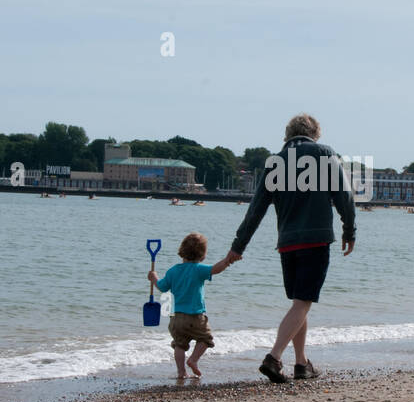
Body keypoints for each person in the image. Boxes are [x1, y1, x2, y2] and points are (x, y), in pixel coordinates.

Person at [223, 113, 356, 383]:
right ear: (316, 133)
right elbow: (344, 196)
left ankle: (301, 364)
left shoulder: (275, 162)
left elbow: (256, 209)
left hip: (286, 243)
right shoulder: (324, 154)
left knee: (299, 302)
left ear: (288, 135)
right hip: (316, 240)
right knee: (302, 302)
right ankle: (274, 358)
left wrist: (239, 245)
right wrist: (349, 230)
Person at [148, 232, 236, 378]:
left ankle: (181, 372)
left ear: (182, 251)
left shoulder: (173, 271)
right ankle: (193, 360)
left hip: (176, 318)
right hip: (195, 316)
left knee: (179, 345)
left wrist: (154, 278)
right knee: (206, 339)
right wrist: (227, 261)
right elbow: (215, 269)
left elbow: (163, 287)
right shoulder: (199, 269)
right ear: (202, 255)